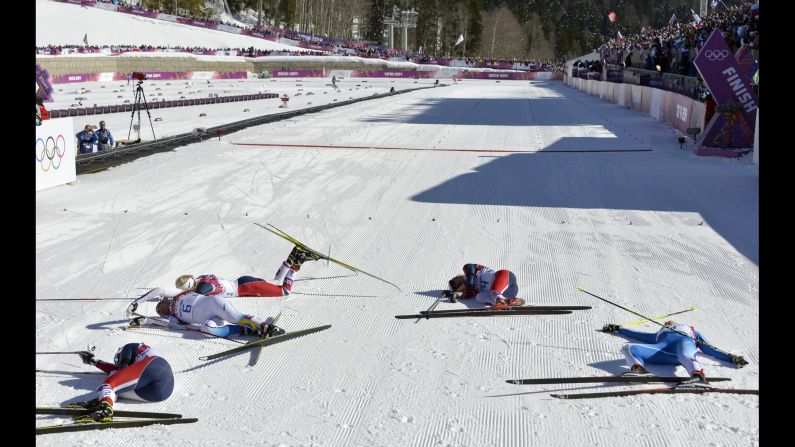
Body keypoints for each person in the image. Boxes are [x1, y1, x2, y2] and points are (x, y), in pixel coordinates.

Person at [601, 320, 749, 388]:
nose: (667, 322)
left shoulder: (692, 331)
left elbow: (709, 349)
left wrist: (731, 358)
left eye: (669, 322)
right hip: (663, 351)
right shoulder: (660, 333)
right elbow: (638, 335)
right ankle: (638, 370)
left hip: (683, 346)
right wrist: (618, 328)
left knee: (686, 354)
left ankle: (698, 376)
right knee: (629, 348)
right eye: (666, 323)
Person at [73, 342, 174, 423]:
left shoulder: (128, 348)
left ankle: (106, 410)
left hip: (154, 365)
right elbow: (116, 370)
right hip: (161, 392)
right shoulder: (140, 359)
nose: (118, 362)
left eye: (117, 359)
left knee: (108, 385)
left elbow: (119, 372)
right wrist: (93, 360)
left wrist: (94, 361)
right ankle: (104, 400)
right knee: (118, 390)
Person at [447, 264, 525, 308]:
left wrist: (469, 279)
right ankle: (508, 301)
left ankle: (499, 301)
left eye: (458, 283)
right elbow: (467, 294)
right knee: (479, 297)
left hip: (505, 278)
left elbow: (468, 266)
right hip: (508, 294)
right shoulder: (473, 290)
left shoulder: (473, 271)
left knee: (494, 291)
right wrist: (457, 295)